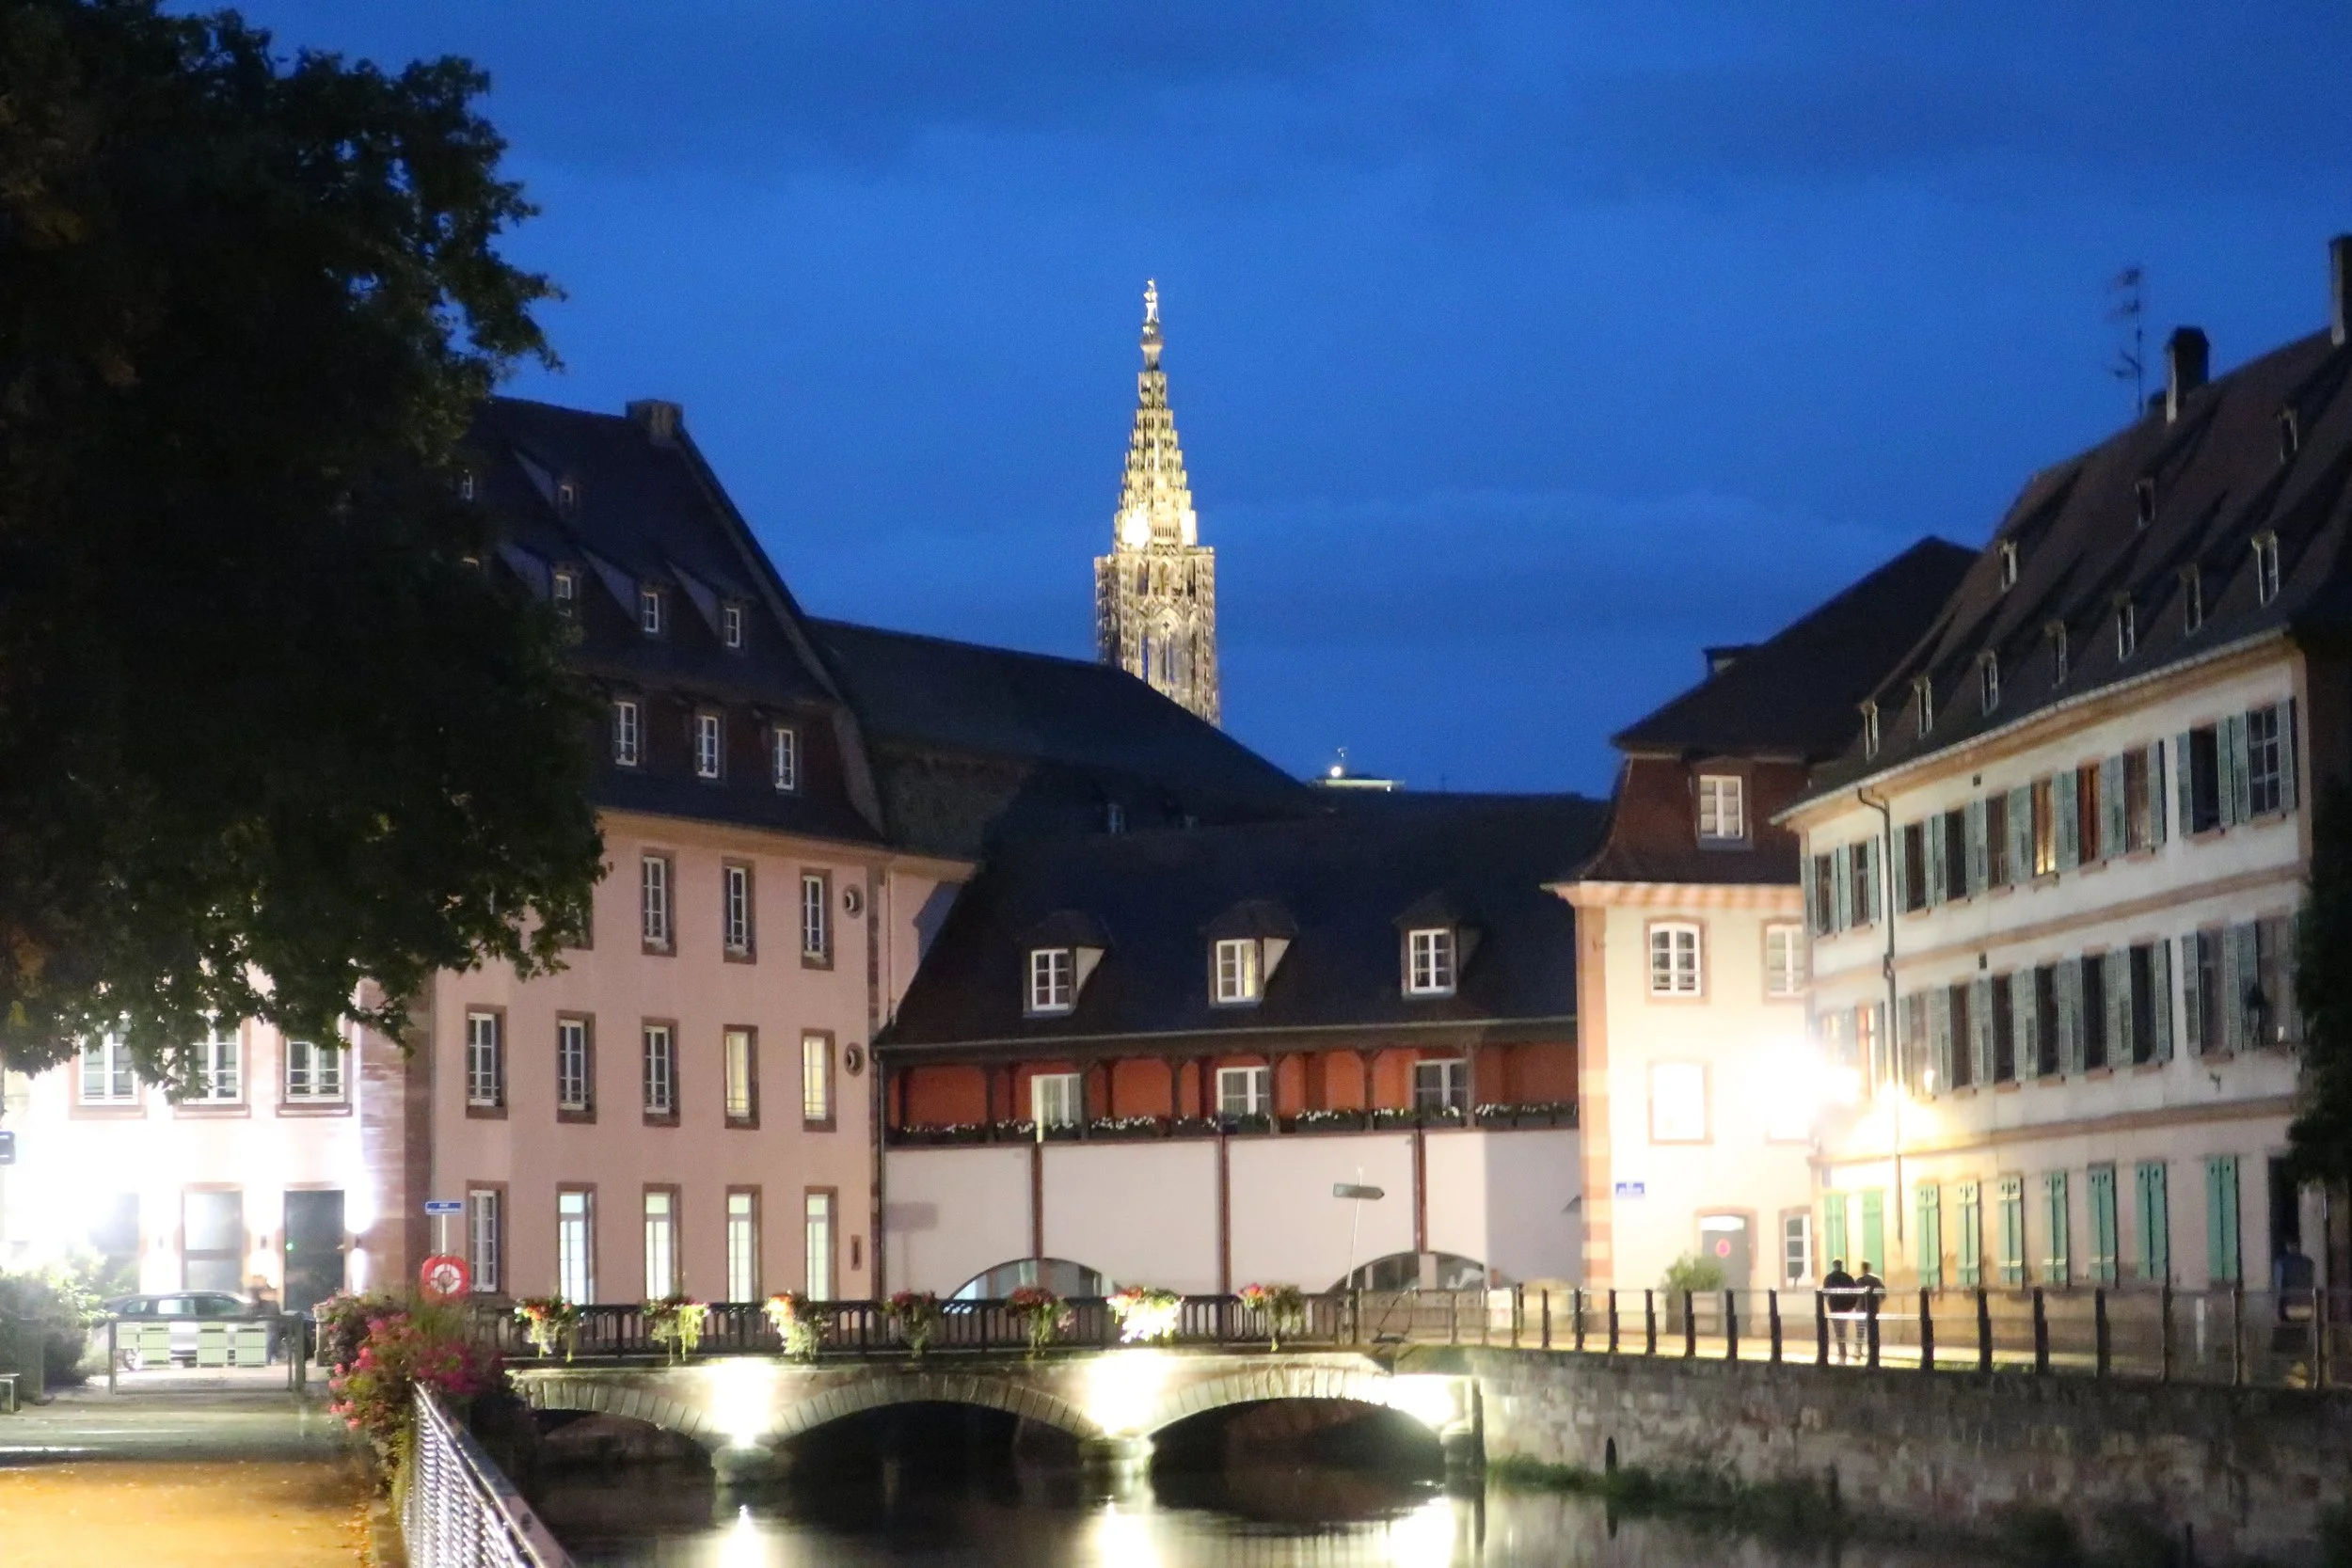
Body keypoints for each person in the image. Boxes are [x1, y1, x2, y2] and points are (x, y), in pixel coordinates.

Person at [1820, 1259, 1857, 1364]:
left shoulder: (1829, 1278)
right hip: (1846, 1307)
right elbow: (1855, 1292)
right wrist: (1852, 1305)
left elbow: (1825, 1293)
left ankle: (1842, 1351)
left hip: (1835, 1307)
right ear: (1841, 1266)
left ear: (1833, 1266)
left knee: (1838, 1329)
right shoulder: (1848, 1277)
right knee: (1843, 1328)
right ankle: (1842, 1350)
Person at [1853, 1260, 1887, 1357]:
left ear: (1862, 1268)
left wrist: (1856, 1304)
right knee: (1873, 1331)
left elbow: (1853, 1295)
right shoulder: (1876, 1280)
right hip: (1873, 1308)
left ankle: (1858, 1351)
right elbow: (1883, 1295)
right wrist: (1878, 1303)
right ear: (1869, 1268)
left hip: (1860, 1308)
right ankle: (1873, 1352)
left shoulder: (1858, 1281)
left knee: (1860, 1330)